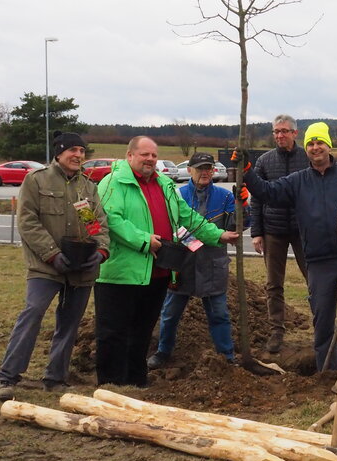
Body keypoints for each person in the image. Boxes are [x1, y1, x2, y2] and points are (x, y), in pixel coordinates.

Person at [95, 137, 238, 387]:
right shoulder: (113, 183)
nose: (150, 159)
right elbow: (110, 219)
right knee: (114, 331)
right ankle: (110, 383)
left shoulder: (165, 184)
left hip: (157, 271)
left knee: (142, 329)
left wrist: (218, 235)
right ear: (129, 156)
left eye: (154, 155)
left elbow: (187, 218)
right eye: (144, 155)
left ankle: (136, 380)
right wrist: (143, 240)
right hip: (123, 271)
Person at [0, 132, 109, 400]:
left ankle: (55, 378)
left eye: (82, 151)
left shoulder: (87, 188)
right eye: (73, 150)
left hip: (80, 270)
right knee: (32, 314)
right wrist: (52, 254)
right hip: (46, 267)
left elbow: (96, 225)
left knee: (69, 324)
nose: (78, 155)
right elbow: (28, 222)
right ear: (58, 152)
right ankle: (7, 377)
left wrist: (101, 250)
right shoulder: (37, 180)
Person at [242, 122, 337, 371]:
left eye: (320, 142)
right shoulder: (297, 181)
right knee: (322, 320)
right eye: (311, 144)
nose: (315, 147)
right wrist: (248, 172)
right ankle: (327, 369)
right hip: (318, 261)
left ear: (328, 145)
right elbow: (268, 192)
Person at [148, 152, 237, 369]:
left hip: (213, 263)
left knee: (219, 314)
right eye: (200, 168)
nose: (205, 172)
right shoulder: (177, 196)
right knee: (169, 314)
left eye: (208, 168)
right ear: (189, 170)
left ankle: (226, 357)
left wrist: (245, 207)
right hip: (182, 264)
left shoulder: (225, 197)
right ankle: (163, 352)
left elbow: (237, 228)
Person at [249, 114, 310, 354]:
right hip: (273, 229)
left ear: (295, 133)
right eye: (276, 132)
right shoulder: (264, 161)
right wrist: (257, 232)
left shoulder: (306, 158)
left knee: (314, 280)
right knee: (274, 284)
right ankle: (276, 330)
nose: (280, 135)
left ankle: (321, 324)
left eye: (284, 131)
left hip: (302, 229)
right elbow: (256, 198)